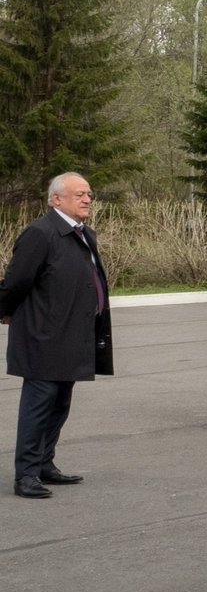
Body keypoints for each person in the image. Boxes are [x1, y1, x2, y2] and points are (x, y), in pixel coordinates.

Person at [5, 173, 110, 499]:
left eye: (89, 194)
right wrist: (4, 310)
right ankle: (26, 474)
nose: (87, 199)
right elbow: (16, 282)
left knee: (59, 405)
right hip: (45, 337)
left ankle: (44, 463)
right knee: (38, 407)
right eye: (79, 194)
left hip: (73, 336)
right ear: (56, 200)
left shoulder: (83, 233)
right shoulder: (41, 233)